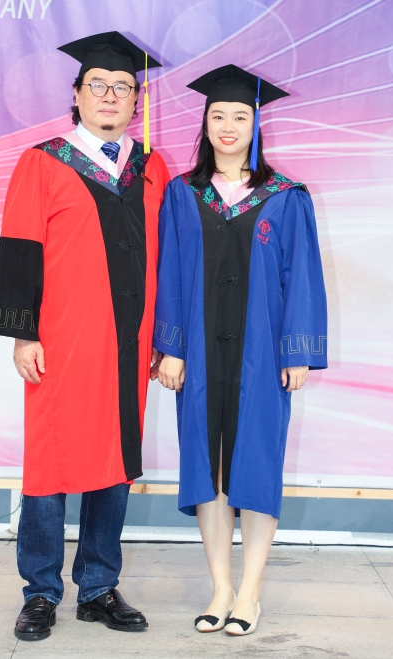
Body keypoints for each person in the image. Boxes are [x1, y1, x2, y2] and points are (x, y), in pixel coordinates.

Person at [0, 31, 169, 640]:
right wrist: (23, 334)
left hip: (129, 341)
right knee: (51, 460)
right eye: (99, 85)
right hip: (62, 339)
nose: (111, 95)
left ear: (136, 101)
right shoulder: (43, 161)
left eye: (123, 87)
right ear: (77, 93)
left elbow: (167, 256)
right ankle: (41, 591)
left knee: (114, 458)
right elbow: (20, 247)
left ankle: (97, 587)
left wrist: (164, 335)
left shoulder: (151, 168)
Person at [155, 64, 327, 636]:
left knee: (255, 463)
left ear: (256, 125)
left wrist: (297, 351)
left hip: (262, 354)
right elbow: (170, 275)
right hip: (200, 354)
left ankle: (250, 592)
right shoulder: (183, 194)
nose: (228, 126)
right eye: (218, 116)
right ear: (204, 124)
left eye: (240, 117)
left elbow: (302, 278)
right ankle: (220, 588)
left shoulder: (286, 197)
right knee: (208, 468)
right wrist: (171, 347)